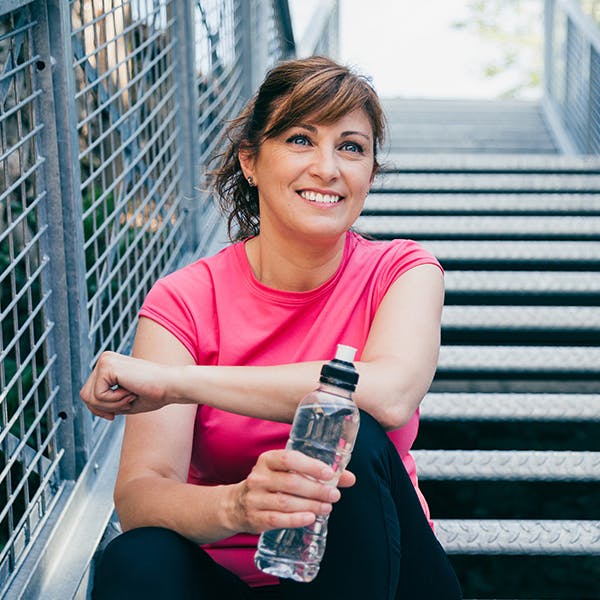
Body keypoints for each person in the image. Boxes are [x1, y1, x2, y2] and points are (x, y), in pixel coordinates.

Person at [80, 56, 462, 600]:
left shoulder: (403, 271)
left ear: (369, 176)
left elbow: (390, 394)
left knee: (354, 430)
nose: (327, 168)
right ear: (251, 161)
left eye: (351, 147)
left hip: (382, 574)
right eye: (301, 139)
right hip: (233, 578)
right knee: (135, 558)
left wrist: (179, 383)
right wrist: (234, 505)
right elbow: (141, 497)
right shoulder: (185, 299)